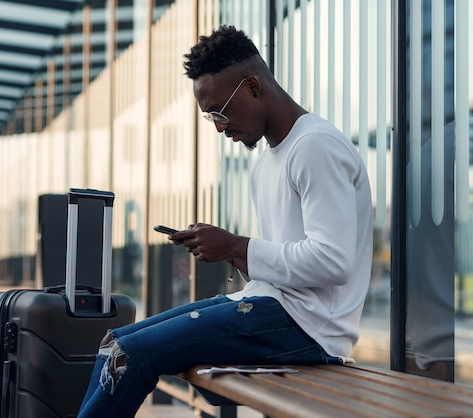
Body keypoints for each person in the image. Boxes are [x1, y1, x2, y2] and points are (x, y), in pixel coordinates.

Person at [77, 25, 373, 418]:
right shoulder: (266, 162)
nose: (218, 126)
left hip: (311, 328)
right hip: (272, 307)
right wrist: (226, 251)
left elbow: (334, 262)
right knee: (115, 343)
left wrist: (236, 246)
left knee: (130, 353)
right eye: (209, 116)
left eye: (220, 111)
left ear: (254, 87)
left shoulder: (314, 147)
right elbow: (282, 263)